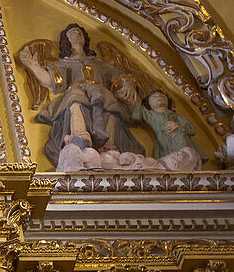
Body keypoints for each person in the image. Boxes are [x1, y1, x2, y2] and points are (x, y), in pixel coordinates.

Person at [18, 23, 144, 167]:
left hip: (101, 94)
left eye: (80, 32)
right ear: (67, 40)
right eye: (72, 33)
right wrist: (33, 65)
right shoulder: (65, 63)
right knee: (75, 104)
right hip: (77, 91)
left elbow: (119, 77)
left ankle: (108, 149)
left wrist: (127, 83)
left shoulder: (99, 64)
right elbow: (51, 80)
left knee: (112, 112)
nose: (77, 34)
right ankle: (79, 141)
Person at [124, 89, 206, 170]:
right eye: (154, 96)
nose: (159, 97)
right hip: (164, 144)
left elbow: (192, 129)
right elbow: (138, 112)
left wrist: (177, 125)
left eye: (162, 96)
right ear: (148, 102)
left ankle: (186, 158)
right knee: (168, 162)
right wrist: (130, 100)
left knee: (185, 152)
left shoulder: (175, 116)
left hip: (181, 142)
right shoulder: (151, 115)